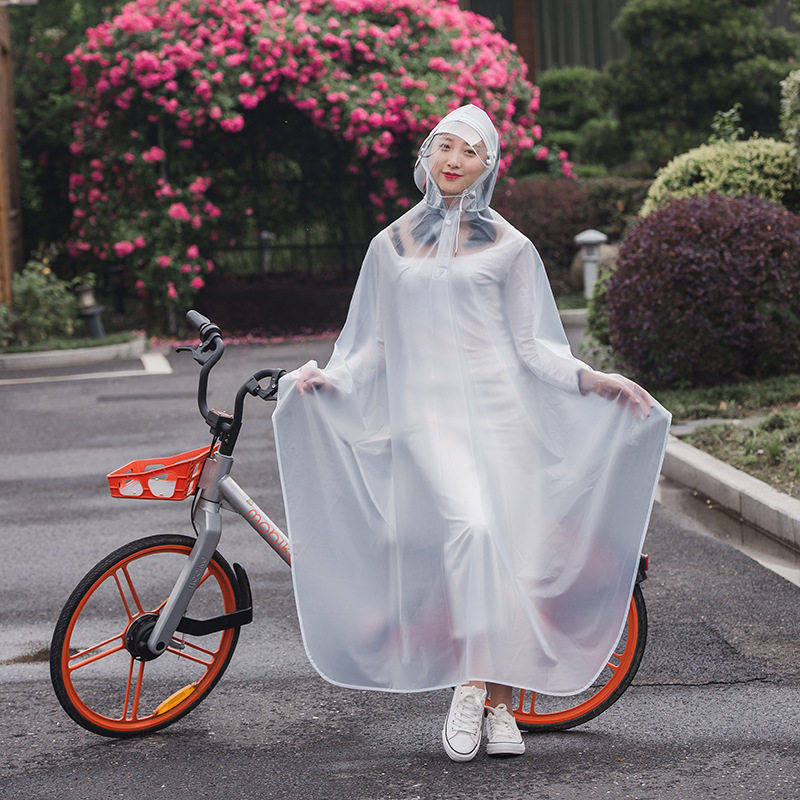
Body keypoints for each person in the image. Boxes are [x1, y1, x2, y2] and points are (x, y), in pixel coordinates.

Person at [272, 104, 671, 762]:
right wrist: (329, 381)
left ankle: (500, 707)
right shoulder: (390, 246)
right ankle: (469, 686)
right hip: (429, 423)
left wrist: (591, 380)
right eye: (442, 146)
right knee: (473, 532)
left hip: (504, 418)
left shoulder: (511, 246)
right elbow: (370, 348)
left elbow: (533, 347)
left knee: (510, 556)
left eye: (469, 151)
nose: (452, 159)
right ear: (426, 156)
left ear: (488, 167)